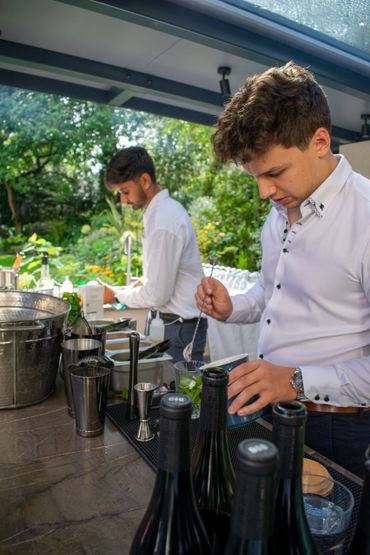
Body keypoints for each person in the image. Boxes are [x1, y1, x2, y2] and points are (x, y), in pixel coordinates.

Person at [196, 61, 370, 476]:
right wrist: (230, 307)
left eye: (274, 172)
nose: (263, 191)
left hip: (338, 427)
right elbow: (270, 294)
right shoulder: (281, 210)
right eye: (255, 176)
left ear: (320, 141)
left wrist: (293, 381)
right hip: (274, 407)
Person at [99, 146, 207, 363]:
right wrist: (123, 290)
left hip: (179, 329)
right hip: (170, 325)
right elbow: (155, 277)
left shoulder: (164, 220)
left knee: (174, 394)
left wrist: (117, 296)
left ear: (145, 181)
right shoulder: (160, 213)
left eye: (125, 191)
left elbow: (158, 294)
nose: (123, 201)